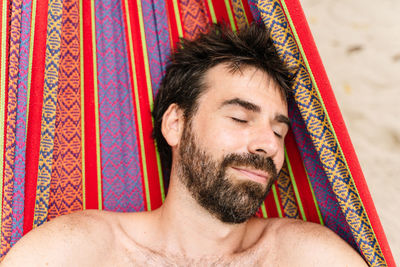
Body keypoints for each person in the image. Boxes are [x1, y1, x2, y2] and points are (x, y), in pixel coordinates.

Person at [2, 23, 367, 266]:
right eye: (240, 118)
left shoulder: (303, 257)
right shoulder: (82, 251)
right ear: (176, 124)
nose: (267, 145)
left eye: (279, 132)